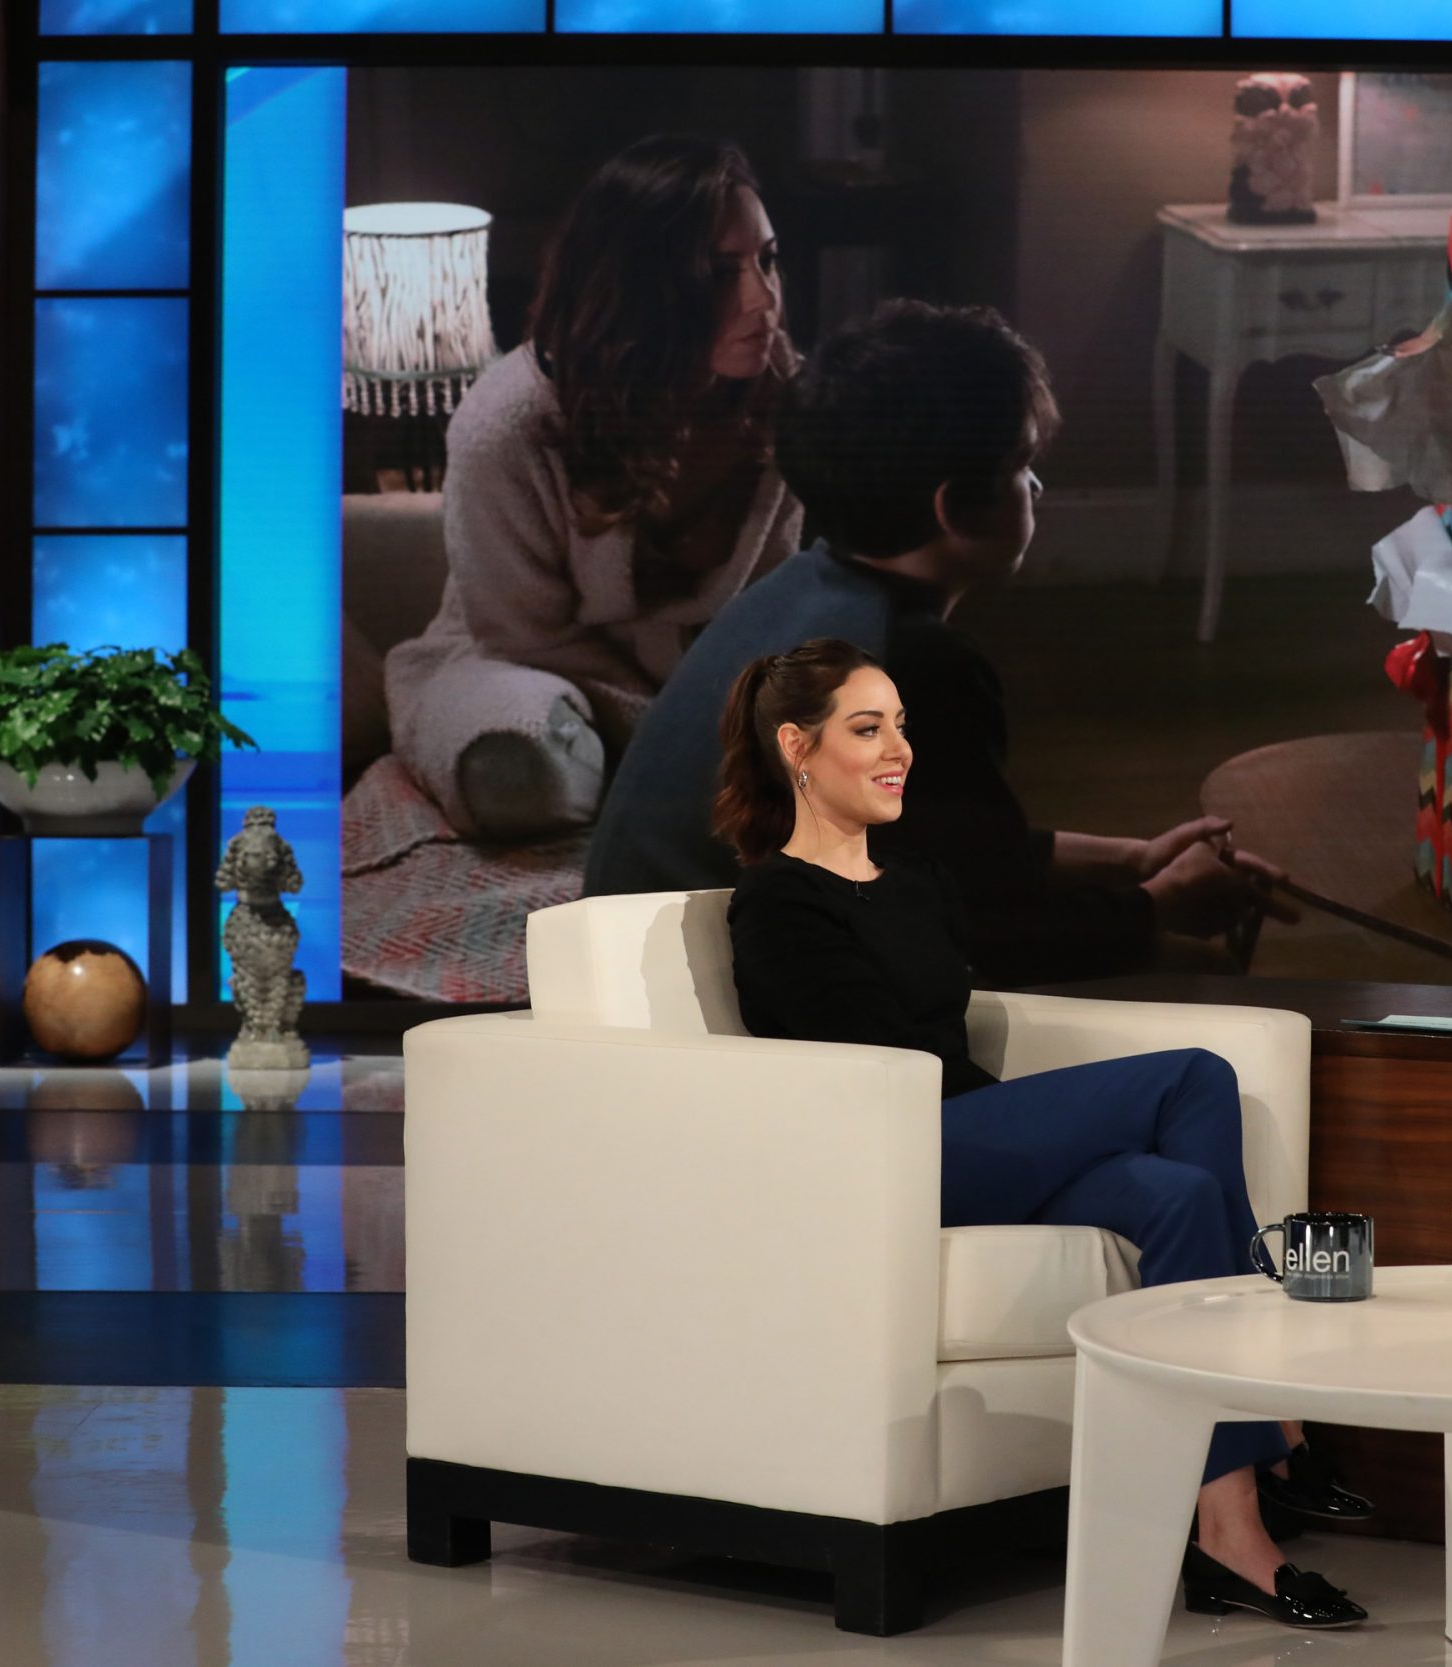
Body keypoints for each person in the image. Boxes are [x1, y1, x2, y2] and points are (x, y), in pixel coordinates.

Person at [719, 639, 1371, 1630]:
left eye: (901, 725)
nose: (898, 749)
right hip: (889, 1154)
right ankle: (1270, 1415)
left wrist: (1145, 866)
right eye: (867, 728)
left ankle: (1228, 1529)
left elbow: (1019, 928)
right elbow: (870, 1064)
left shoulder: (916, 875)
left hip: (969, 1136)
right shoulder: (776, 899)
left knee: (1181, 1196)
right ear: (796, 749)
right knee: (1193, 1074)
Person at [585, 299, 1284, 986]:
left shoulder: (800, 587)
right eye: (1020, 464)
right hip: (707, 1011)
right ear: (955, 508)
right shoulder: (915, 669)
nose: (1036, 484)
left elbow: (946, 849)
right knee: (1207, 976)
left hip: (634, 967)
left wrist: (1133, 862)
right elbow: (981, 938)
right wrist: (1158, 905)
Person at [385, 134, 803, 843]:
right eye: (719, 273)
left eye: (767, 259)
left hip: (709, 673)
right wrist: (676, 730)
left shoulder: (785, 398)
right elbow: (524, 635)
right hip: (522, 665)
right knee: (520, 770)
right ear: (642, 288)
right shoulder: (507, 424)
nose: (763, 298)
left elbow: (776, 606)